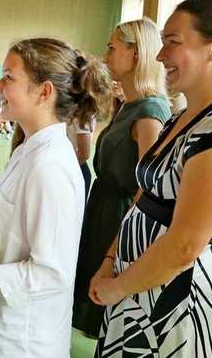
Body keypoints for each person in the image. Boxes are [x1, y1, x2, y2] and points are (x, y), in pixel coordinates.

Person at [90, 0, 212, 357]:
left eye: (173, 42)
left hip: (173, 303)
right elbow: (144, 199)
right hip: (134, 287)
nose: (160, 54)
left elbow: (185, 246)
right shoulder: (179, 119)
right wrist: (110, 261)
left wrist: (118, 288)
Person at [0, 38, 111, 358]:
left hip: (22, 338)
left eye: (9, 77)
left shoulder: (50, 167)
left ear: (44, 92)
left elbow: (48, 273)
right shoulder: (29, 149)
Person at [72, 18, 171, 337]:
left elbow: (149, 186)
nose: (105, 56)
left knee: (106, 302)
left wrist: (121, 241)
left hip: (120, 214)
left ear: (137, 54)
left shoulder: (149, 112)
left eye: (113, 48)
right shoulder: (130, 105)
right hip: (102, 206)